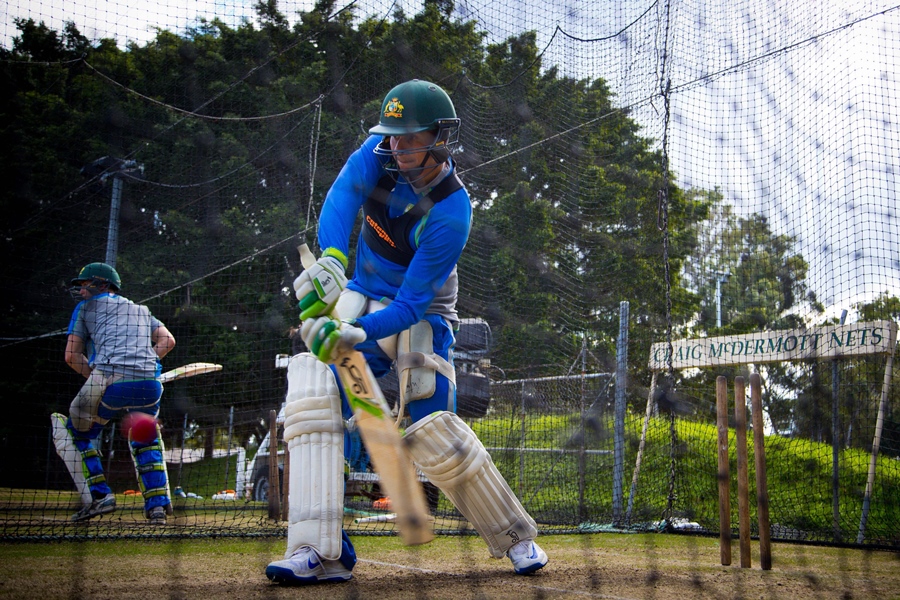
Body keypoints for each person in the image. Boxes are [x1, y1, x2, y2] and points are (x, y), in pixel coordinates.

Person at [265, 79, 548, 585]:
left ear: (440, 137)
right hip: (360, 295)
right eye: (391, 136)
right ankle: (321, 550)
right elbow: (338, 201)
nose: (396, 146)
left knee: (434, 429)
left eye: (409, 137)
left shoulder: (452, 211)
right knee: (314, 406)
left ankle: (515, 538)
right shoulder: (376, 154)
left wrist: (354, 331)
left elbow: (413, 302)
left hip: (421, 318)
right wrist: (332, 257)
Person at [50, 262, 176, 524]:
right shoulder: (142, 310)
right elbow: (168, 341)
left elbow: (71, 356)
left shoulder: (84, 309)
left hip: (110, 380)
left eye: (85, 285)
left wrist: (99, 379)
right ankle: (157, 508)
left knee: (79, 433)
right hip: (149, 384)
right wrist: (142, 365)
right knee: (146, 438)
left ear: (102, 284)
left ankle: (99, 497)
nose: (81, 291)